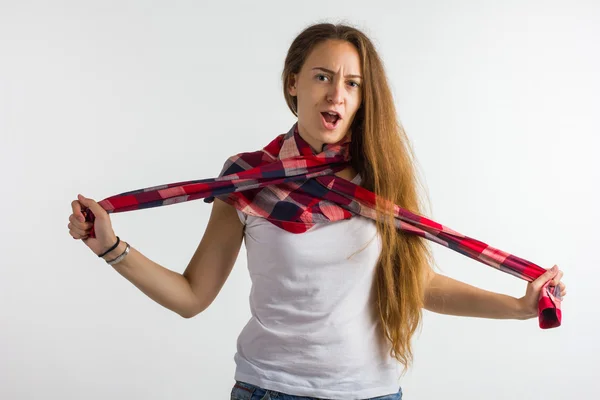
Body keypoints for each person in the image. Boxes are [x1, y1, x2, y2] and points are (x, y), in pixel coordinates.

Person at [67, 23, 567, 400]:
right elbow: (192, 296)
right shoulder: (245, 178)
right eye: (323, 77)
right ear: (293, 84)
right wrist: (110, 246)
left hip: (370, 392)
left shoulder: (382, 181)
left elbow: (419, 286)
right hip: (267, 389)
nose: (337, 93)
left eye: (352, 83)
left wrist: (520, 306)